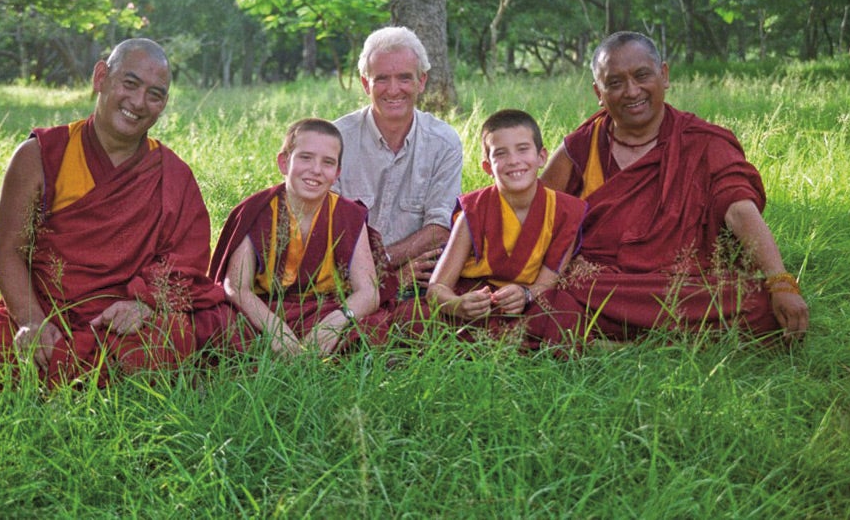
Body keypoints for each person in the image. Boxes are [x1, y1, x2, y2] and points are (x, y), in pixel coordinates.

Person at [0, 38, 235, 388]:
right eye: (129, 84)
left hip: (121, 320)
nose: (138, 102)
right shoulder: (40, 155)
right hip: (45, 305)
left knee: (167, 342)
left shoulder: (172, 174)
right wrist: (32, 320)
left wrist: (143, 305)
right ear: (101, 76)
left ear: (163, 105)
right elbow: (7, 251)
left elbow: (185, 263)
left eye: (155, 94)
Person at [541, 31, 809, 343]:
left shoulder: (703, 141)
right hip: (602, 285)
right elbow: (537, 215)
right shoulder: (582, 146)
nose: (631, 91)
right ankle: (659, 337)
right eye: (614, 83)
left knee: (759, 304)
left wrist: (780, 281)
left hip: (685, 284)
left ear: (664, 75)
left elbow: (738, 208)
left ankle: (604, 337)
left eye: (642, 75)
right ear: (598, 92)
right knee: (561, 290)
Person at [394, 109, 587, 351]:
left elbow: (547, 283)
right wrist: (458, 305)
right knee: (410, 316)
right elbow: (437, 288)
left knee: (566, 314)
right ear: (487, 166)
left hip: (526, 303)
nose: (514, 160)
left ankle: (489, 346)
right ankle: (509, 346)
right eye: (501, 154)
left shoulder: (566, 211)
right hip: (476, 302)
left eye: (523, 149)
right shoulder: (473, 212)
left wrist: (526, 295)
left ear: (542, 156)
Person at [209, 119, 389, 357]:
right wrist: (273, 328)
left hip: (324, 308)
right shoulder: (257, 210)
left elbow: (368, 292)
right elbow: (237, 286)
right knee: (216, 322)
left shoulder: (348, 215)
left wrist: (336, 321)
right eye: (305, 157)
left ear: (337, 173)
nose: (315, 170)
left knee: (372, 327)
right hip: (265, 309)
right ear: (284, 162)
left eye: (327, 162)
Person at [333, 26, 463, 295]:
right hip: (340, 279)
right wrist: (383, 269)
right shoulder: (336, 141)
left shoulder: (444, 142)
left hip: (417, 279)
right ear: (365, 83)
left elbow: (439, 229)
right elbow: (322, 228)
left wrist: (391, 270)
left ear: (422, 81)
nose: (393, 90)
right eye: (381, 79)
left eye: (404, 78)